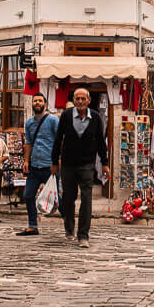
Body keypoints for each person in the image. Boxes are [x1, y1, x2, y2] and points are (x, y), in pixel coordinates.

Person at [51, 87, 110, 248]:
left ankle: (83, 234)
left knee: (86, 199)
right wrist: (54, 162)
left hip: (87, 164)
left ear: (89, 101)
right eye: (77, 98)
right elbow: (58, 140)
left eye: (83, 99)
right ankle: (69, 227)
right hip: (68, 164)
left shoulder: (96, 118)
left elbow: (100, 142)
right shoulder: (66, 115)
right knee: (68, 198)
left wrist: (104, 163)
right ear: (74, 100)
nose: (80, 102)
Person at [17, 93, 60, 236]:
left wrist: (58, 160)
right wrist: (26, 161)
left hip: (50, 166)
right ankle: (32, 226)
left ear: (45, 104)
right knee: (28, 195)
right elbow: (28, 143)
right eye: (35, 101)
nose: (37, 103)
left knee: (58, 199)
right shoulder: (29, 123)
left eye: (40, 101)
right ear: (32, 104)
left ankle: (69, 225)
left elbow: (61, 140)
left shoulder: (53, 120)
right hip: (35, 166)